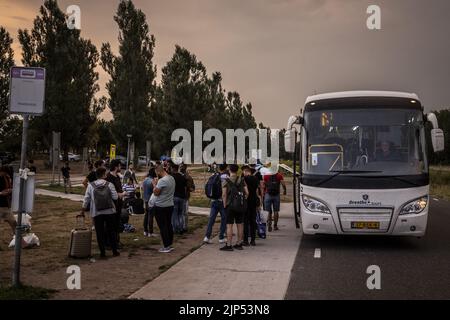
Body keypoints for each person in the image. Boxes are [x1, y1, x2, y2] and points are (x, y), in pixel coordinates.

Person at [81, 167, 120, 258]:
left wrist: (82, 210)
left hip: (97, 212)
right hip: (110, 211)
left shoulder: (91, 185)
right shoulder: (109, 184)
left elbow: (86, 199)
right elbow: (115, 198)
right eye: (105, 173)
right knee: (111, 231)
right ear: (103, 175)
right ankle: (114, 251)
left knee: (99, 232)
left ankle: (102, 253)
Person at [221, 164, 248, 251]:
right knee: (240, 225)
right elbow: (247, 192)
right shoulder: (242, 180)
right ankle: (239, 243)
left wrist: (225, 205)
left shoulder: (226, 181)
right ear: (237, 171)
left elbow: (224, 194)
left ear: (229, 170)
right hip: (240, 205)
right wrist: (243, 200)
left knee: (229, 225)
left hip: (230, 206)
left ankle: (229, 245)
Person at [153, 165, 176, 253]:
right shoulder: (171, 178)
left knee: (163, 226)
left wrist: (155, 184)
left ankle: (166, 246)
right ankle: (169, 244)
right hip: (170, 205)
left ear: (158, 171)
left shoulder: (162, 181)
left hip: (161, 206)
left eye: (156, 173)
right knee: (168, 225)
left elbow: (156, 193)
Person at [203, 164, 229, 244]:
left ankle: (207, 236)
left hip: (213, 200)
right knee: (224, 219)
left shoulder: (213, 175)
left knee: (211, 219)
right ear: (226, 168)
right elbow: (226, 191)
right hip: (222, 201)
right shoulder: (226, 177)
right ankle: (221, 237)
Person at [106, 159, 126, 242]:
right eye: (119, 166)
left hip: (118, 204)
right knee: (111, 224)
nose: (120, 167)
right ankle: (110, 242)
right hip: (112, 205)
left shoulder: (117, 176)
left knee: (117, 223)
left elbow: (119, 189)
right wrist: (122, 194)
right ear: (115, 167)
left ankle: (116, 240)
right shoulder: (108, 177)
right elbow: (109, 192)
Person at [242, 165, 260, 246]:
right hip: (254, 201)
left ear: (246, 171)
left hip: (246, 201)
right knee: (253, 221)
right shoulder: (256, 179)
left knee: (245, 221)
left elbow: (243, 190)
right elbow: (257, 191)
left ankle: (245, 240)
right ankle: (253, 240)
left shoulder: (244, 179)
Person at [171, 163, 188, 234]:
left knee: (174, 214)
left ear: (173, 168)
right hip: (182, 197)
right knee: (181, 214)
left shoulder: (171, 177)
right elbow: (185, 187)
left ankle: (175, 228)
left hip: (174, 197)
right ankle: (181, 228)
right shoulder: (182, 177)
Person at [0, 166, 15, 235]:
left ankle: (18, 239)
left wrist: (10, 190)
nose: (6, 174)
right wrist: (0, 193)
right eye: (5, 173)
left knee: (13, 222)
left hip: (6, 205)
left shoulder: (6, 178)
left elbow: (9, 187)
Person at [180, 164, 195, 232]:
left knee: (185, 213)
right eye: (180, 166)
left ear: (185, 168)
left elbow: (193, 188)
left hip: (185, 197)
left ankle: (185, 227)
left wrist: (189, 188)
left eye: (182, 166)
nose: (181, 168)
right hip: (179, 196)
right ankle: (180, 226)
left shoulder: (189, 177)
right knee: (180, 213)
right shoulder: (178, 176)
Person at [142, 168, 157, 237]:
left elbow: (142, 188)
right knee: (150, 216)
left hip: (145, 199)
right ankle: (150, 232)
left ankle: (145, 231)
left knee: (146, 215)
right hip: (151, 200)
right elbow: (155, 191)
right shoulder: (152, 181)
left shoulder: (145, 179)